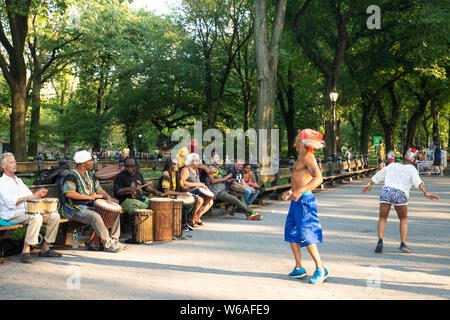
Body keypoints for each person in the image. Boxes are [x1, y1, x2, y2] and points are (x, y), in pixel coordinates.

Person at [361, 147, 440, 254]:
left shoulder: (392, 165)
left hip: (386, 191)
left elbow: (378, 175)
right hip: (400, 193)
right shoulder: (412, 169)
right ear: (415, 159)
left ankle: (380, 241)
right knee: (403, 218)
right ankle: (403, 244)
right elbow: (418, 183)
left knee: (382, 218)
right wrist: (425, 193)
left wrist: (370, 184)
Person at [282, 129, 328, 284]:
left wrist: (300, 190)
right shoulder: (301, 156)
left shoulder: (308, 157)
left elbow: (318, 178)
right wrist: (291, 191)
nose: (295, 141)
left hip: (305, 202)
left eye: (297, 139)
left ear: (301, 141)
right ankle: (299, 267)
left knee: (307, 236)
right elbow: (301, 179)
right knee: (291, 232)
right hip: (296, 202)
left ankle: (321, 269)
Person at [0, 152, 63, 263]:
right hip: (11, 214)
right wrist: (32, 196)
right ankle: (26, 250)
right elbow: (11, 203)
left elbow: (31, 197)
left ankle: (45, 248)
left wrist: (39, 195)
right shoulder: (1, 183)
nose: (14, 164)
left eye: (15, 162)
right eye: (11, 162)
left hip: (26, 211)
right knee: (36, 217)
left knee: (54, 216)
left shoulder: (19, 181)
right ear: (3, 166)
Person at [62, 150, 126, 253]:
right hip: (75, 209)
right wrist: (88, 197)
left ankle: (115, 240)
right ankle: (108, 244)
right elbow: (69, 193)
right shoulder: (71, 176)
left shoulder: (91, 175)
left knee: (115, 211)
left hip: (90, 207)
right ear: (83, 163)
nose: (92, 162)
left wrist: (108, 198)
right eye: (90, 160)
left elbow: (99, 189)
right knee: (96, 217)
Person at [206, 153, 262, 221]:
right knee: (235, 199)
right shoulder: (211, 169)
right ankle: (251, 212)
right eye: (216, 158)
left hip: (224, 189)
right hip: (217, 192)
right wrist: (226, 177)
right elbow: (213, 181)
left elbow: (221, 179)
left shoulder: (218, 168)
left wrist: (228, 180)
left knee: (240, 195)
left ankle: (248, 215)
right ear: (212, 160)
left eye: (218, 157)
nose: (218, 159)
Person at [157, 157, 195, 231]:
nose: (176, 165)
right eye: (174, 164)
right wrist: (181, 194)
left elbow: (182, 187)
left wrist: (187, 188)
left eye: (177, 164)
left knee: (195, 199)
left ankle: (188, 222)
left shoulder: (176, 174)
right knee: (184, 204)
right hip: (167, 197)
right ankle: (182, 224)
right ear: (169, 165)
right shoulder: (166, 175)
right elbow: (166, 192)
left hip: (174, 196)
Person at [180, 153, 214, 226]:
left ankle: (196, 217)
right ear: (192, 161)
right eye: (197, 160)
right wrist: (198, 185)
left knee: (210, 201)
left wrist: (204, 186)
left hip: (196, 191)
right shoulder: (186, 169)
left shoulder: (196, 170)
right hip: (188, 192)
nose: (199, 161)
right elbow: (182, 182)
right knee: (200, 200)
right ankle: (190, 219)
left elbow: (198, 182)